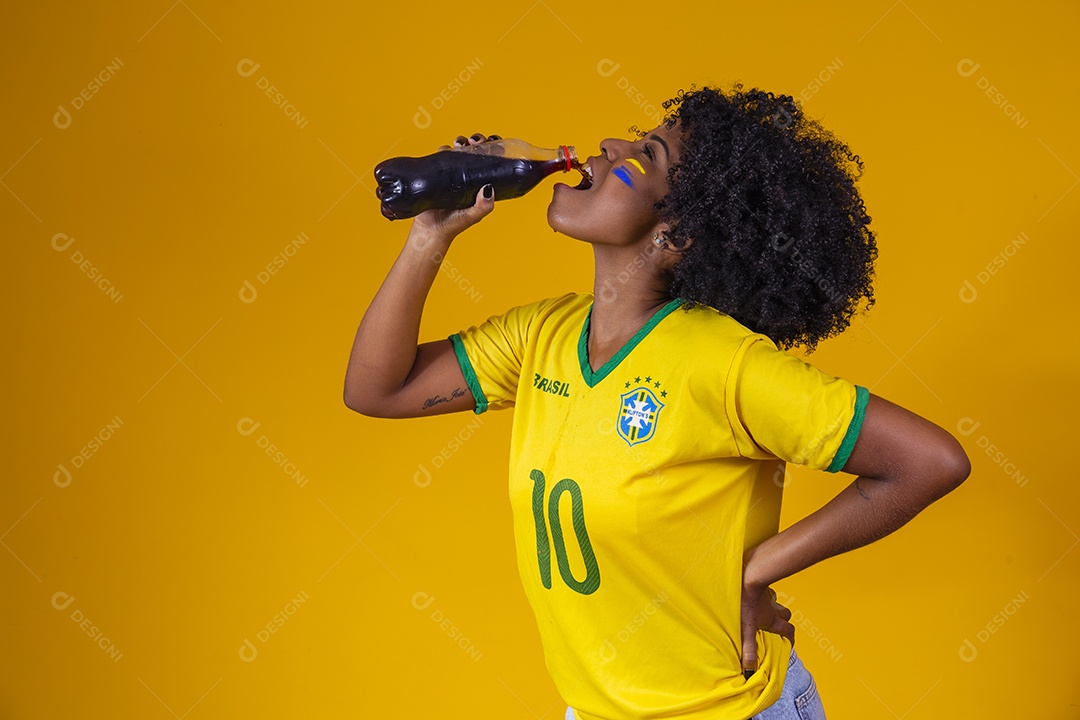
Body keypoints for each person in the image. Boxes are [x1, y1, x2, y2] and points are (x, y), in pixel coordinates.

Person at [344, 83, 971, 720]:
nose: (608, 146)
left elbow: (930, 461)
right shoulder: (542, 337)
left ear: (677, 233)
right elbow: (379, 389)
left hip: (729, 709)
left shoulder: (723, 365)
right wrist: (430, 235)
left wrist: (757, 571)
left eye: (646, 154)